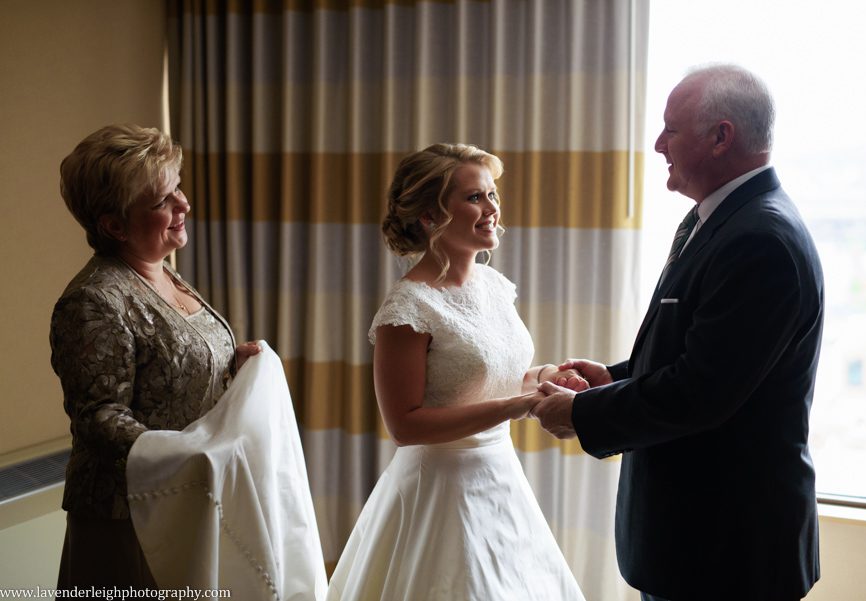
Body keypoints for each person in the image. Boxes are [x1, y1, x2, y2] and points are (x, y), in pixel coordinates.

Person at [532, 64, 824, 601]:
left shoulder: (761, 239)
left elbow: (701, 392)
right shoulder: (716, 221)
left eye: (671, 128)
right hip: (698, 545)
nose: (658, 142)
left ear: (721, 137)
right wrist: (611, 379)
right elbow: (696, 352)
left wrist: (583, 414)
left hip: (725, 553)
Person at [326, 144, 588, 600]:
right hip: (440, 493)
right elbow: (405, 424)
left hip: (502, 481)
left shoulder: (493, 286)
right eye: (474, 198)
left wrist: (546, 375)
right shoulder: (408, 309)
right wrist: (519, 406)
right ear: (430, 216)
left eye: (492, 195)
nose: (492, 209)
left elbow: (488, 378)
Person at [50, 124, 261, 589]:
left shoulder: (164, 274)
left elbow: (173, 375)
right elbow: (100, 416)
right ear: (114, 224)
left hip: (182, 502)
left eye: (177, 187)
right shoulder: (94, 300)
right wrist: (183, 455)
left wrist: (235, 371)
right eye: (162, 200)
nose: (183, 203)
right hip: (127, 519)